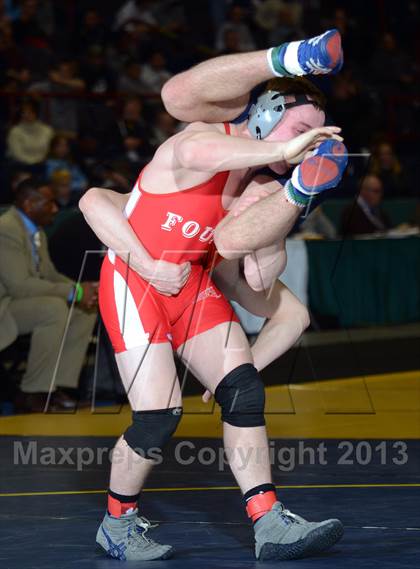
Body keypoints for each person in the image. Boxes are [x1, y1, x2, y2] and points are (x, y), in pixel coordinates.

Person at [80, 29, 348, 562]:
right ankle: (117, 521)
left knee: (245, 392)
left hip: (193, 288)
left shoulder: (264, 185)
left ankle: (269, 520)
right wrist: (281, 149)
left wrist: (296, 202)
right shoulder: (204, 134)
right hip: (136, 282)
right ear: (270, 115)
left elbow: (258, 276)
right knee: (158, 416)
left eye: (315, 137)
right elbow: (198, 152)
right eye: (303, 129)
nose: (308, 144)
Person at [0, 178, 98, 412]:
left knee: (86, 310)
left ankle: (57, 387)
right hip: (6, 306)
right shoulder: (6, 229)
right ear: (29, 203)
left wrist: (84, 291)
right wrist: (74, 291)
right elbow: (20, 286)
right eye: (49, 202)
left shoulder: (36, 232)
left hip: (19, 304)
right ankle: (33, 392)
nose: (55, 208)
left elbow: (50, 274)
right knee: (53, 308)